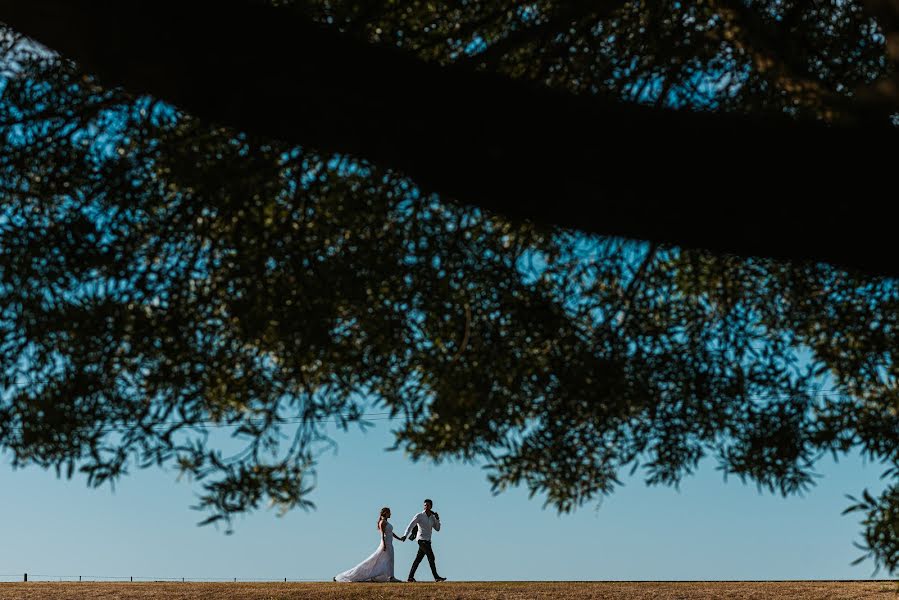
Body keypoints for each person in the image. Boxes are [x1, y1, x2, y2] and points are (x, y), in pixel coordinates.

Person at [333, 507, 404, 582]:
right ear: (386, 513)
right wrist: (384, 545)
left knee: (389, 560)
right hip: (386, 544)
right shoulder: (382, 522)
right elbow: (382, 534)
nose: (390, 514)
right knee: (383, 560)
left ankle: (389, 576)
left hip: (389, 543)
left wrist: (399, 538)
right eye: (389, 512)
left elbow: (390, 533)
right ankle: (391, 577)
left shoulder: (386, 522)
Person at [402, 498, 446, 582]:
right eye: (425, 505)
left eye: (428, 505)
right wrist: (405, 535)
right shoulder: (419, 515)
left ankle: (410, 577)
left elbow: (437, 528)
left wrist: (437, 519)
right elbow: (410, 525)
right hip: (421, 540)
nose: (426, 507)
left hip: (428, 541)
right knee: (431, 557)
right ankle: (436, 577)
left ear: (431, 506)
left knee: (418, 559)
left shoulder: (432, 517)